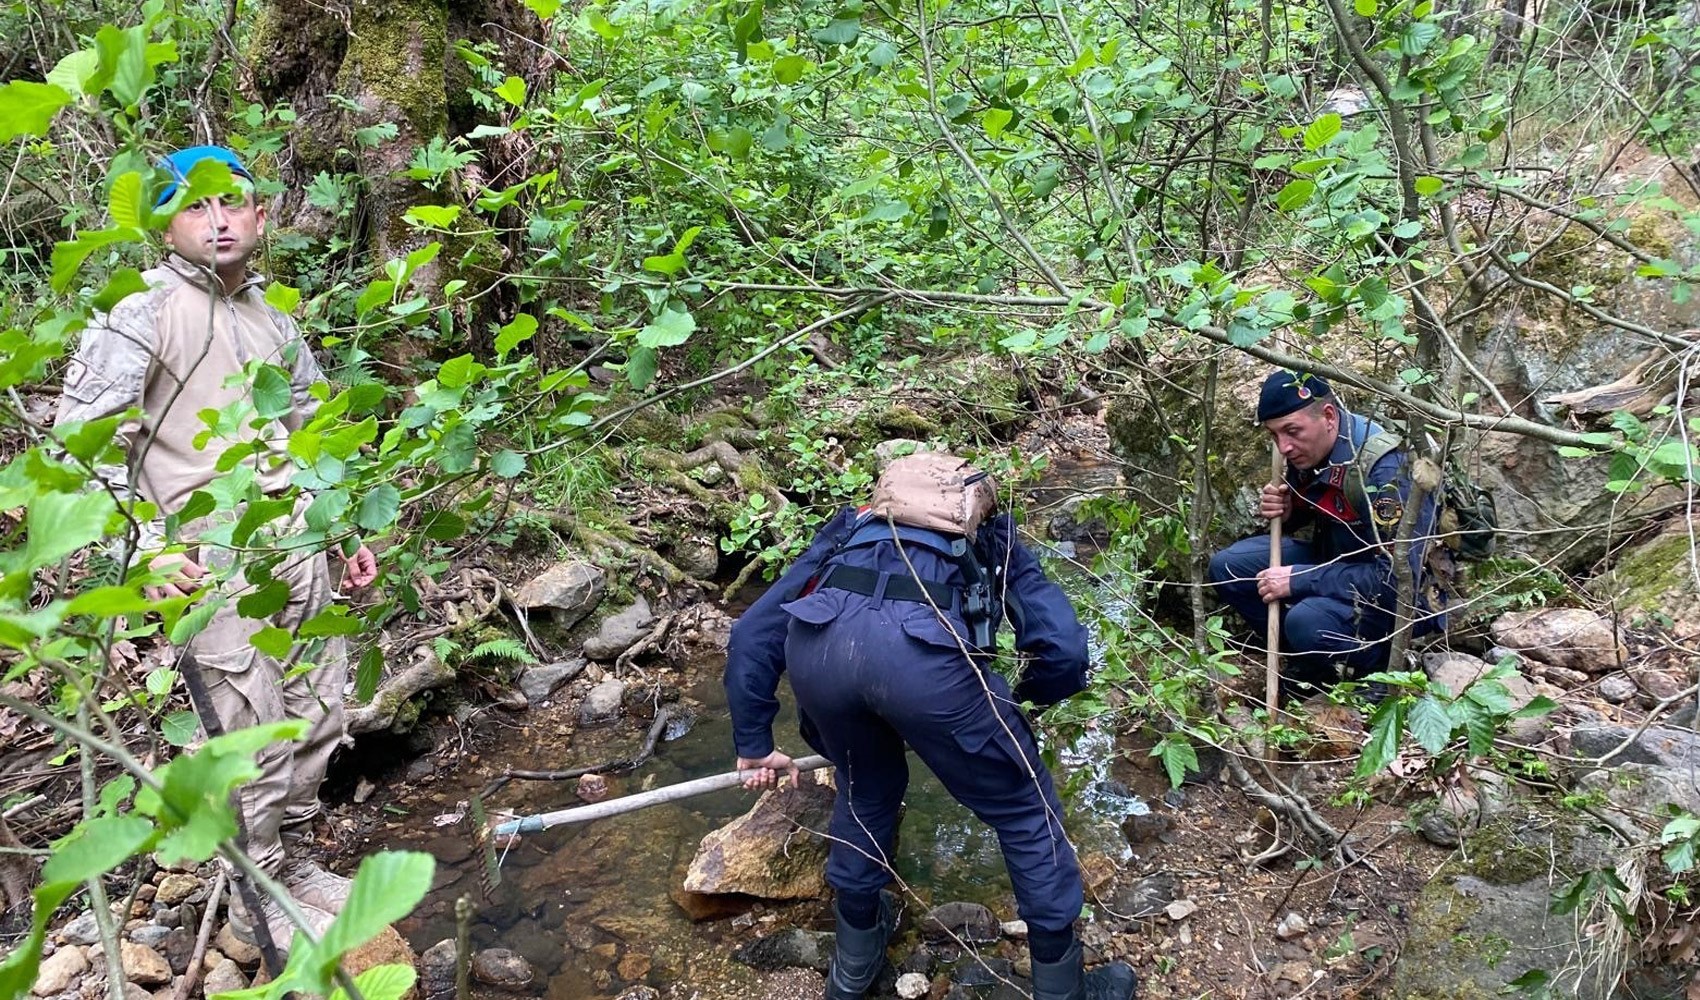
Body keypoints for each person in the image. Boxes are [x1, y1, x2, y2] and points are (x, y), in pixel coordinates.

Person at [54, 145, 377, 954]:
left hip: (298, 547)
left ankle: (290, 866)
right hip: (210, 563)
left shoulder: (272, 318)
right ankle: (257, 910)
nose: (219, 219)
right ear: (165, 221)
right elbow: (76, 450)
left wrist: (344, 533)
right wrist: (153, 549)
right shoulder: (140, 310)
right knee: (245, 733)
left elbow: (313, 433)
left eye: (232, 202)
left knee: (318, 712)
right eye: (196, 205)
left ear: (262, 215)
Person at [724, 453, 1135, 1000]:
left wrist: (754, 744)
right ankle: (1062, 990)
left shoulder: (852, 528)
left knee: (864, 788)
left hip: (819, 655)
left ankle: (851, 972)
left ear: (886, 497)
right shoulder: (989, 535)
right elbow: (1061, 649)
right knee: (1024, 807)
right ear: (973, 507)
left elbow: (753, 634)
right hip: (927, 668)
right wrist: (1019, 707)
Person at [1207, 370, 1444, 697]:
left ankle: (1379, 668)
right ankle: (1310, 662)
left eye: (1291, 431)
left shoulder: (1387, 470)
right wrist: (1289, 513)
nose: (1284, 447)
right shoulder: (1310, 450)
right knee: (1229, 567)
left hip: (1399, 599)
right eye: (1274, 435)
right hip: (1336, 562)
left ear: (1329, 417)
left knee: (1305, 620)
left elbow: (1398, 580)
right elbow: (1321, 506)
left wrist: (1300, 579)